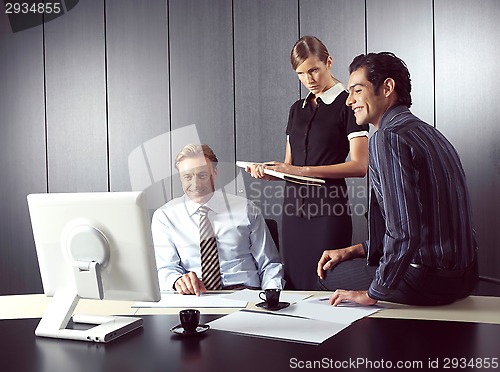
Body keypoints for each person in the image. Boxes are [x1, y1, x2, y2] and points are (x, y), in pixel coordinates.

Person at [317, 52, 478, 306]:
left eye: (357, 91)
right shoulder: (432, 134)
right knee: (348, 260)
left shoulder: (386, 138)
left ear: (387, 88)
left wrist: (373, 293)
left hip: (428, 281)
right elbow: (422, 223)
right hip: (466, 278)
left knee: (328, 275)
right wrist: (354, 250)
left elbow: (404, 232)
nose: (349, 101)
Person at [247, 36, 369, 290]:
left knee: (324, 280)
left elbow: (360, 165)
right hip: (293, 210)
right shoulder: (296, 109)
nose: (309, 80)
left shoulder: (348, 104)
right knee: (293, 282)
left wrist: (300, 170)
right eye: (301, 74)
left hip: (328, 208)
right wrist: (274, 172)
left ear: (329, 62)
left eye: (314, 70)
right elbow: (289, 164)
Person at [152, 144, 284, 295]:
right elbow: (166, 269)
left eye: (202, 175)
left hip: (245, 294)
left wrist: (271, 297)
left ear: (214, 173)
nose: (196, 184)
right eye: (187, 176)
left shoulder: (247, 209)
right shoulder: (164, 216)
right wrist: (177, 281)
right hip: (195, 297)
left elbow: (270, 265)